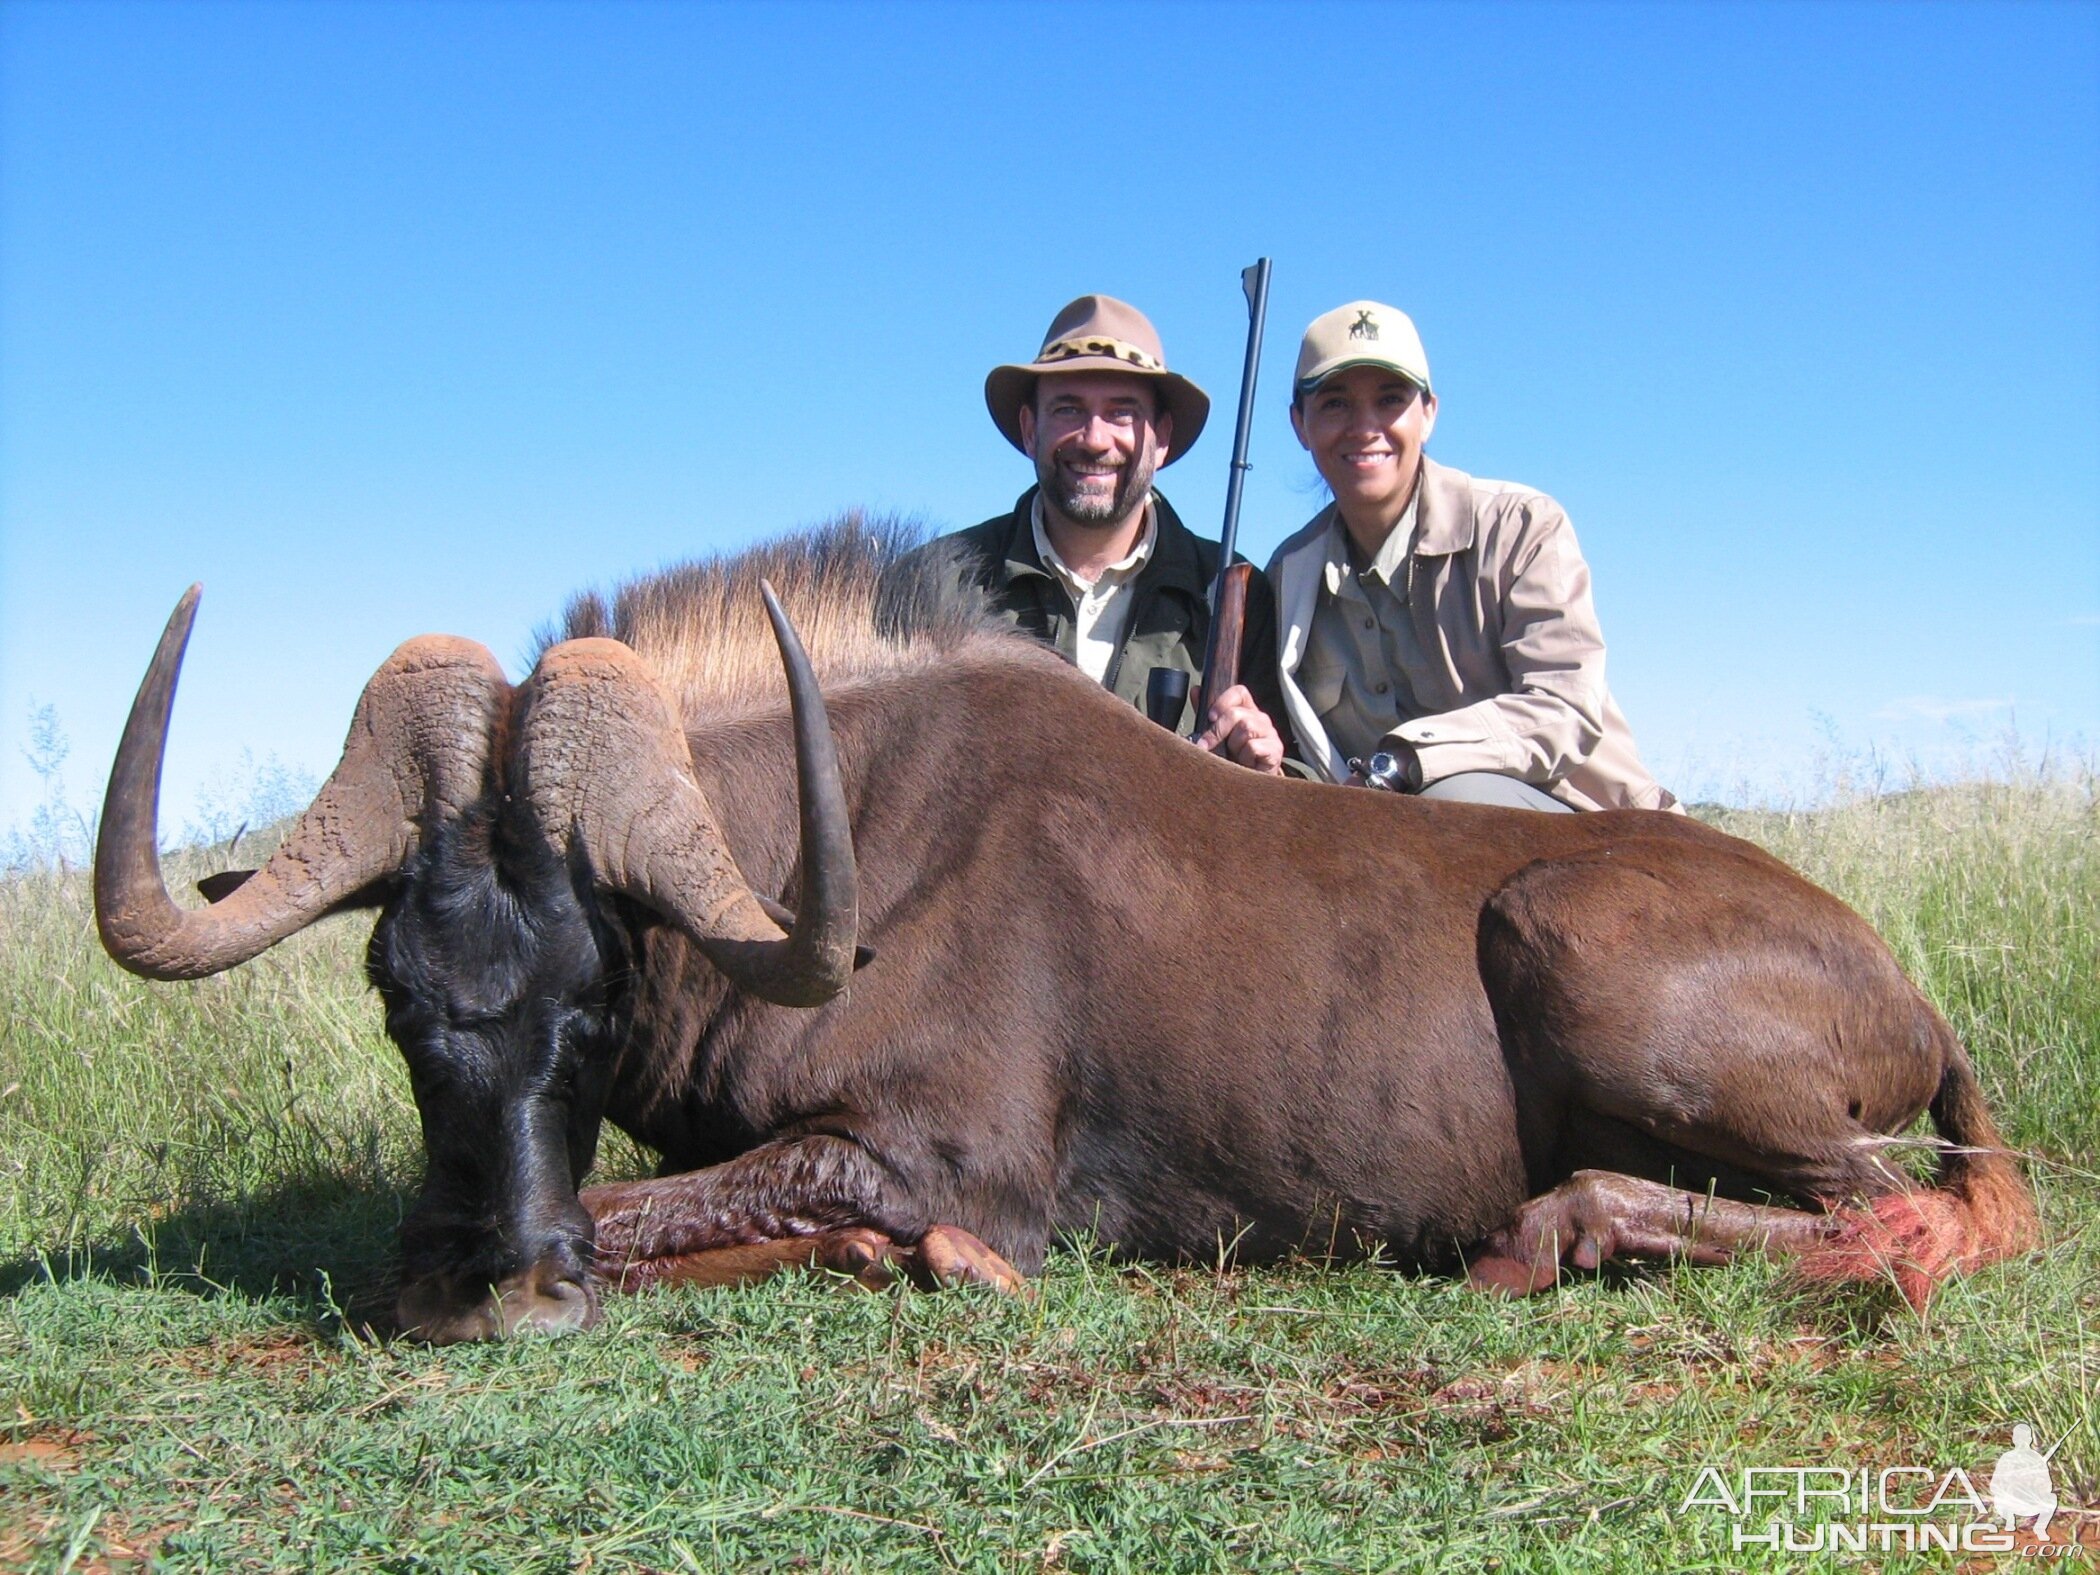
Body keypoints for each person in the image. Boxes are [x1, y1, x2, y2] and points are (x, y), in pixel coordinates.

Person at [1267, 300, 1676, 811]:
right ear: (1299, 425)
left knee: (1447, 801)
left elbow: (1566, 706)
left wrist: (1405, 763)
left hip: (1581, 829)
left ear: (1429, 414)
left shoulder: (1521, 526)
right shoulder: (1287, 576)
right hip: (1386, 845)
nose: (1364, 427)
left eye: (1390, 400)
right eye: (1335, 404)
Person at [928, 294, 1292, 774]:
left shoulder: (1238, 596)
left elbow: (1303, 788)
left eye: (1122, 413)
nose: (1094, 439)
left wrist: (1271, 771)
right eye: (1068, 410)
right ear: (1029, 428)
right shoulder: (934, 584)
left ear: (1161, 438)